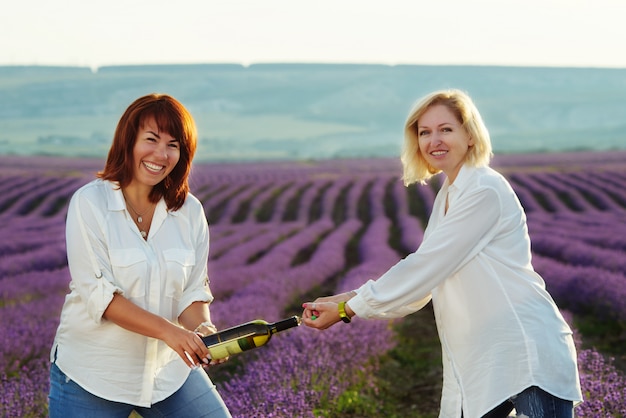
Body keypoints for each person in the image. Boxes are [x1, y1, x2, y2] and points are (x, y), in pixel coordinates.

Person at [302, 89, 582, 418]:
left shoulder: (483, 189)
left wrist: (349, 308)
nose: (434, 140)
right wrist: (346, 300)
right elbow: (427, 282)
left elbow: (426, 266)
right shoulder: (449, 194)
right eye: (425, 132)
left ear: (470, 135)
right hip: (485, 359)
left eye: (446, 129)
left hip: (525, 351)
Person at [48, 94, 232, 417]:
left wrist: (203, 330)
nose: (160, 154)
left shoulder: (190, 211)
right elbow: (101, 297)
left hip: (168, 372)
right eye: (151, 139)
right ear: (128, 141)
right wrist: (172, 333)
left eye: (173, 145)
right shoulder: (90, 203)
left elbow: (192, 292)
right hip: (95, 375)